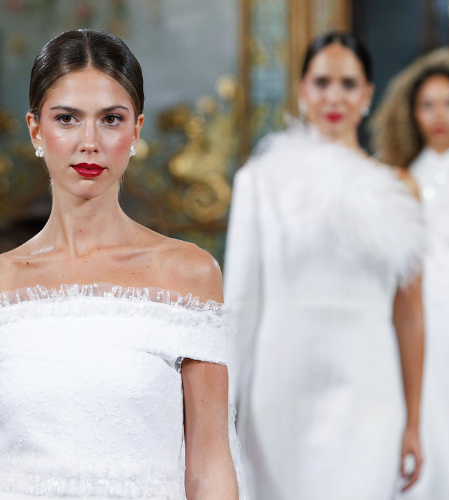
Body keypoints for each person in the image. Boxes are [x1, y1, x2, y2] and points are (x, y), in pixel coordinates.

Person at [0, 29, 248, 500]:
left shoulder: (187, 275)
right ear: (36, 129)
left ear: (135, 130)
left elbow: (210, 464)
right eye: (67, 118)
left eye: (110, 119)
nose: (89, 142)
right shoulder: (3, 283)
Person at [224, 31, 424, 500]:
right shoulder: (260, 181)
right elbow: (240, 302)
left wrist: (414, 420)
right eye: (322, 82)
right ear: (302, 90)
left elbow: (410, 313)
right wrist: (222, 415)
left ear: (368, 94)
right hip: (279, 387)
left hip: (369, 384)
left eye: (349, 84)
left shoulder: (399, 189)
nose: (334, 97)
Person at [372, 47, 449, 500]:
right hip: (406, 325)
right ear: (412, 112)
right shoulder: (394, 182)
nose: (439, 115)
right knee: (415, 431)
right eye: (428, 104)